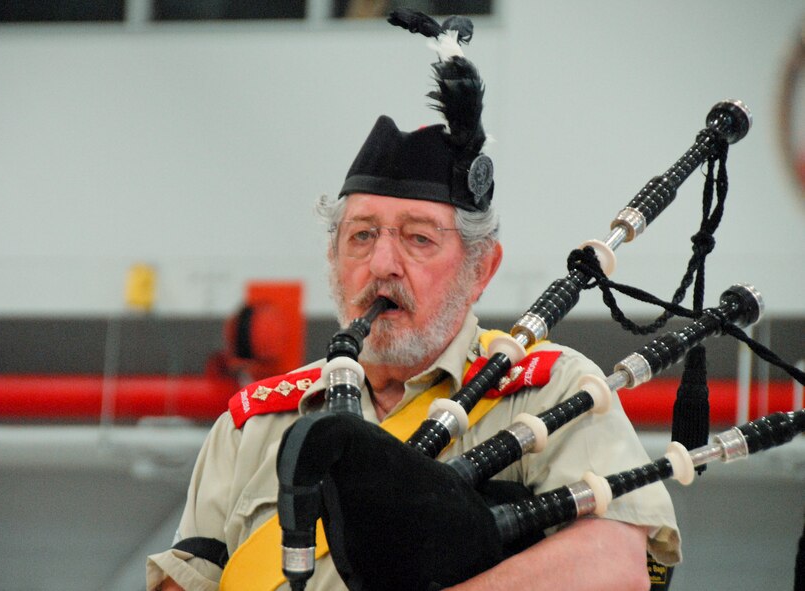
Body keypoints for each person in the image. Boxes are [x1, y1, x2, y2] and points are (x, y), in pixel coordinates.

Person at [147, 13, 679, 591]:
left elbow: (614, 566)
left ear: (482, 269)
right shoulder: (252, 425)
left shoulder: (549, 389)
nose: (382, 264)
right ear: (333, 259)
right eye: (361, 236)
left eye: (419, 238)